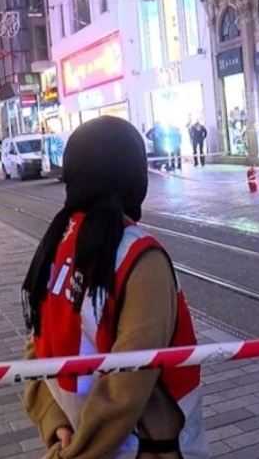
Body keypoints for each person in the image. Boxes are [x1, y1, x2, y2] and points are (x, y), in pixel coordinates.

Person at [21, 116, 209, 459]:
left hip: (75, 438)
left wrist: (55, 423)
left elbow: (36, 348)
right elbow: (127, 387)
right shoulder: (140, 257)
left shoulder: (55, 246)